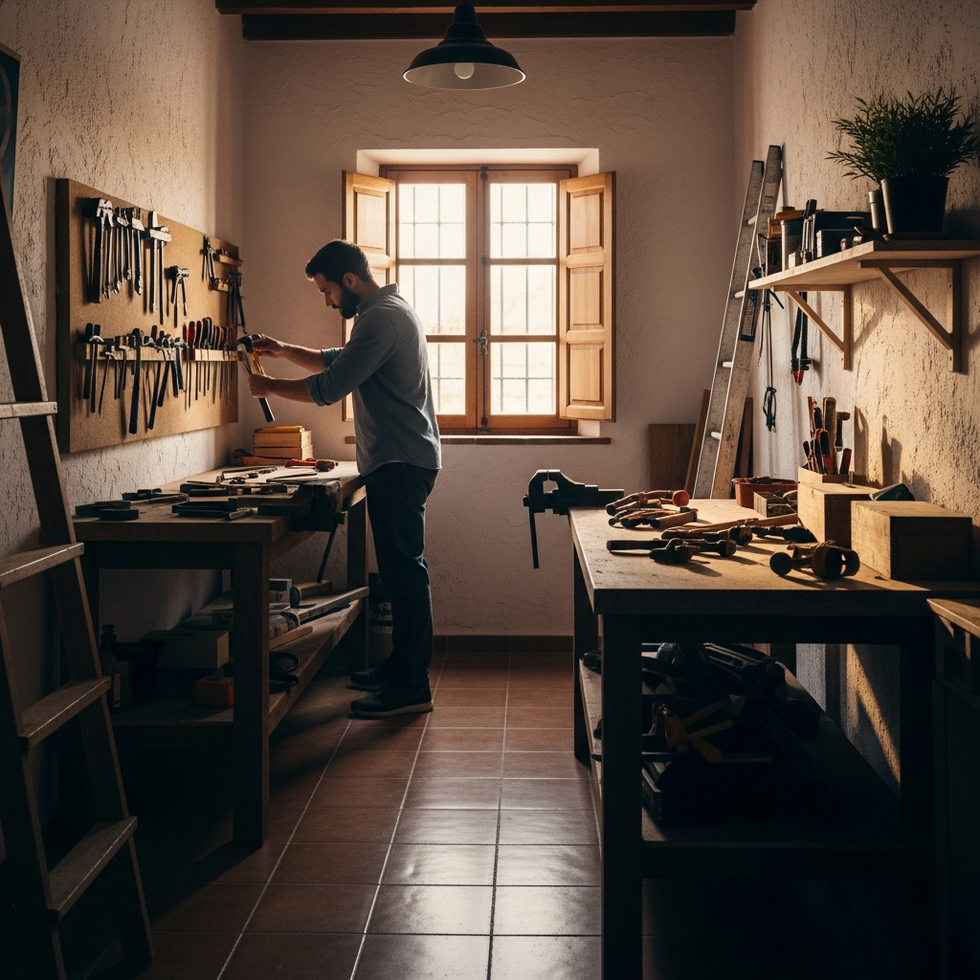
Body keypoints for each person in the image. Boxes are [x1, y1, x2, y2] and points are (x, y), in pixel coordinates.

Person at [245, 240, 441, 718]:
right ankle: (400, 669)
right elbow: (337, 361)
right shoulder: (386, 311)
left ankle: (411, 686)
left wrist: (269, 385)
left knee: (404, 576)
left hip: (399, 461)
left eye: (328, 290)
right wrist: (284, 351)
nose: (327, 301)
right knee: (401, 573)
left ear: (350, 281)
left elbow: (331, 387)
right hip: (401, 460)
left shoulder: (380, 318)